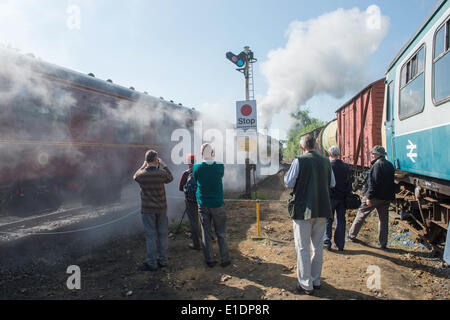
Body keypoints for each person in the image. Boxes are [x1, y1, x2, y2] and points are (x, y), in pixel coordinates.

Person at [284, 135, 335, 295]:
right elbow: (332, 183)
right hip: (322, 209)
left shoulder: (299, 160)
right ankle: (316, 280)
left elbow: (289, 183)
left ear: (302, 147)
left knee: (303, 247)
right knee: (317, 247)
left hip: (302, 210)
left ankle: (306, 284)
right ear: (315, 145)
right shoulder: (327, 161)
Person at [347, 146, 395, 249]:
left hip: (375, 197)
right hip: (386, 198)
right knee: (383, 220)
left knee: (361, 214)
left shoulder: (377, 166)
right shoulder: (390, 165)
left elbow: (373, 183)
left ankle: (351, 235)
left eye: (373, 154)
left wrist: (369, 197)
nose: (372, 155)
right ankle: (383, 243)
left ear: (378, 154)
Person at [133, 150, 173, 271]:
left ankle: (151, 263)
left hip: (147, 210)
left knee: (150, 236)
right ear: (156, 160)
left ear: (146, 161)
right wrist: (164, 165)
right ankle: (163, 260)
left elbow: (135, 176)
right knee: (162, 235)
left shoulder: (141, 175)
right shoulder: (161, 173)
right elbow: (170, 178)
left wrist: (143, 165)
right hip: (161, 208)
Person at [193, 143, 230, 268]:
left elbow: (196, 178)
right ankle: (225, 259)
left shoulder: (196, 167)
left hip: (203, 203)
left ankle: (209, 260)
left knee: (206, 233)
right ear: (213, 153)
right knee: (221, 232)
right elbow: (220, 176)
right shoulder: (219, 166)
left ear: (201, 153)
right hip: (217, 203)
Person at [324, 146, 352, 251]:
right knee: (341, 221)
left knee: (328, 220)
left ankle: (327, 242)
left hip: (330, 197)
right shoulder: (345, 166)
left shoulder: (328, 166)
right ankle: (340, 244)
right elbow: (349, 182)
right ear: (338, 154)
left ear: (330, 154)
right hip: (342, 198)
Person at [179, 153, 202, 250]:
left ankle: (196, 243)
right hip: (201, 199)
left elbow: (180, 188)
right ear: (195, 161)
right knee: (204, 220)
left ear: (187, 163)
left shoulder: (185, 173)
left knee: (193, 222)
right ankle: (207, 239)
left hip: (190, 201)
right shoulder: (201, 171)